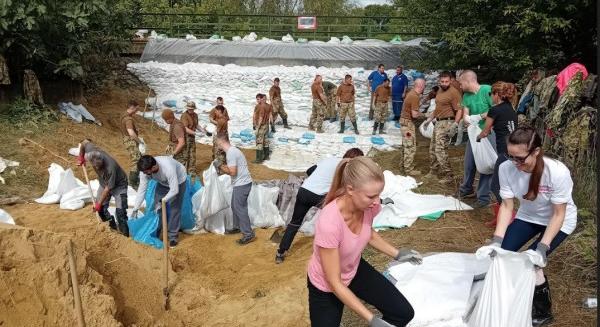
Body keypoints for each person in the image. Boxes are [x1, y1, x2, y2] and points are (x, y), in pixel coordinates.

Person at [307, 156, 421, 327]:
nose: (377, 202)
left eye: (379, 195)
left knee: (402, 313)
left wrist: (397, 254)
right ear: (350, 189)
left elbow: (368, 232)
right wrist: (371, 319)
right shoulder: (329, 222)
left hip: (353, 269)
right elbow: (335, 282)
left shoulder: (370, 206)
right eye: (371, 196)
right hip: (326, 285)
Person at [486, 125, 577, 326]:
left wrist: (542, 248)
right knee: (502, 254)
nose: (515, 163)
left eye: (520, 158)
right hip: (528, 216)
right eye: (510, 156)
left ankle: (543, 312)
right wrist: (496, 240)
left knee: (530, 262)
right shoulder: (506, 168)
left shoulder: (557, 172)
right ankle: (504, 296)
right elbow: (508, 206)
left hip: (559, 221)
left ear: (535, 151)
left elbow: (559, 213)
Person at [275, 148, 365, 264]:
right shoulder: (348, 169)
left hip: (304, 192)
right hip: (319, 197)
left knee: (295, 222)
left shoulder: (329, 160)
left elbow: (309, 170)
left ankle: (280, 253)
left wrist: (317, 181)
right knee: (336, 220)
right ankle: (336, 249)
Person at [458, 70, 494, 208]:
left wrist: (479, 116)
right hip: (473, 134)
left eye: (461, 83)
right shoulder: (466, 96)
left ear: (468, 81)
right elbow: (465, 113)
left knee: (485, 164)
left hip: (488, 133)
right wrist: (466, 119)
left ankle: (483, 198)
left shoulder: (487, 90)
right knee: (469, 163)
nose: (460, 86)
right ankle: (466, 189)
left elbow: (496, 109)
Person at [133, 155, 188, 247]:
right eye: (144, 172)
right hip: (162, 183)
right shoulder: (144, 171)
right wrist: (135, 208)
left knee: (174, 209)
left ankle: (173, 237)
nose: (145, 174)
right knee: (157, 210)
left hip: (178, 181)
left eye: (147, 172)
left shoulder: (168, 168)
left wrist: (163, 201)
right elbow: (142, 189)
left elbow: (174, 190)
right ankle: (155, 234)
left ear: (154, 167)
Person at [78, 139, 129, 236]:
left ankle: (125, 237)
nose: (97, 168)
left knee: (121, 213)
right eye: (94, 166)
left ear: (102, 161)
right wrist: (81, 156)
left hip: (119, 185)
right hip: (104, 183)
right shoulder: (91, 152)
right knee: (101, 209)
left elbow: (108, 189)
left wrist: (98, 203)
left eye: (99, 166)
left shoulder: (110, 167)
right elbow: (84, 142)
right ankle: (111, 226)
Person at [478, 82, 518, 204]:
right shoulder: (511, 108)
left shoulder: (494, 110)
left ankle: (507, 214)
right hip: (515, 149)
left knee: (496, 185)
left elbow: (485, 132)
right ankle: (501, 215)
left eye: (491, 94)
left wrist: (477, 137)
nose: (490, 97)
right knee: (505, 184)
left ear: (497, 95)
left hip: (505, 152)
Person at [214, 133, 255, 245]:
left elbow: (233, 172)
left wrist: (219, 166)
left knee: (239, 208)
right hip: (242, 183)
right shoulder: (232, 151)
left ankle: (248, 234)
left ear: (221, 142)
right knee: (235, 206)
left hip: (242, 184)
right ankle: (237, 227)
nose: (217, 146)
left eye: (217, 143)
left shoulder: (231, 153)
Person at [423, 71, 463, 185]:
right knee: (432, 148)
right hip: (438, 122)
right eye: (442, 81)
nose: (444, 83)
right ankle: (433, 171)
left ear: (450, 81)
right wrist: (429, 119)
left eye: (446, 81)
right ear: (439, 81)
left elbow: (459, 110)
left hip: (447, 122)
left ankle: (449, 175)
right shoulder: (440, 90)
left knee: (440, 149)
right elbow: (438, 108)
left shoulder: (454, 92)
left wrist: (455, 124)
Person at [400, 78, 425, 176]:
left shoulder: (411, 93)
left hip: (405, 123)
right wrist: (424, 115)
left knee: (406, 145)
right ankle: (408, 169)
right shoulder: (414, 96)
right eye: (424, 86)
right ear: (421, 86)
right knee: (410, 147)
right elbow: (414, 115)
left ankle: (403, 165)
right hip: (408, 124)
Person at [180, 101, 210, 179]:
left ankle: (191, 172)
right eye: (189, 109)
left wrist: (203, 131)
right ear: (187, 108)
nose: (191, 110)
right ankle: (181, 172)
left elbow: (196, 125)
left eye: (192, 109)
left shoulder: (195, 115)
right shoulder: (184, 116)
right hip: (185, 137)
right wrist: (195, 133)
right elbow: (185, 128)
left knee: (192, 155)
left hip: (192, 138)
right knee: (185, 156)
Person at [120, 99, 142, 189]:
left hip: (126, 139)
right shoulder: (128, 119)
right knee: (136, 161)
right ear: (132, 108)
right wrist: (140, 141)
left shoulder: (123, 114)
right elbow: (131, 133)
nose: (137, 111)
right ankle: (133, 182)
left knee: (137, 159)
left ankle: (134, 180)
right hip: (131, 141)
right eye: (136, 109)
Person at [209, 97, 229, 165]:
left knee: (224, 146)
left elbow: (226, 119)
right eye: (219, 103)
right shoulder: (214, 110)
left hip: (223, 131)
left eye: (221, 103)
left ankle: (223, 162)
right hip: (217, 130)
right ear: (216, 102)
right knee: (216, 147)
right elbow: (211, 119)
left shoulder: (224, 109)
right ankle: (215, 160)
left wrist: (222, 123)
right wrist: (218, 123)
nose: (220, 104)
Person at [253, 93, 272, 163]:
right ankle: (266, 156)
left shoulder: (261, 107)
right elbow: (270, 115)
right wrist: (272, 125)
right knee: (266, 141)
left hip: (261, 126)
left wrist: (257, 127)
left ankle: (259, 159)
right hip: (266, 125)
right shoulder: (268, 106)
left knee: (259, 142)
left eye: (258, 99)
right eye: (257, 99)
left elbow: (260, 118)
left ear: (261, 99)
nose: (257, 101)